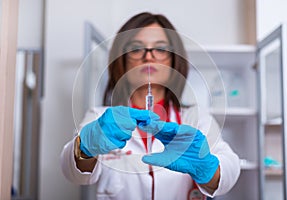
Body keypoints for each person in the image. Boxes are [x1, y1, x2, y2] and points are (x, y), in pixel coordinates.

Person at [60, 12, 240, 200]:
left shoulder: (197, 119)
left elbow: (230, 169)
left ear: (173, 59)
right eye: (136, 49)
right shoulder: (101, 118)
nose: (148, 57)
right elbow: (71, 172)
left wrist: (207, 168)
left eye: (160, 49)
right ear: (122, 60)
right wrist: (86, 147)